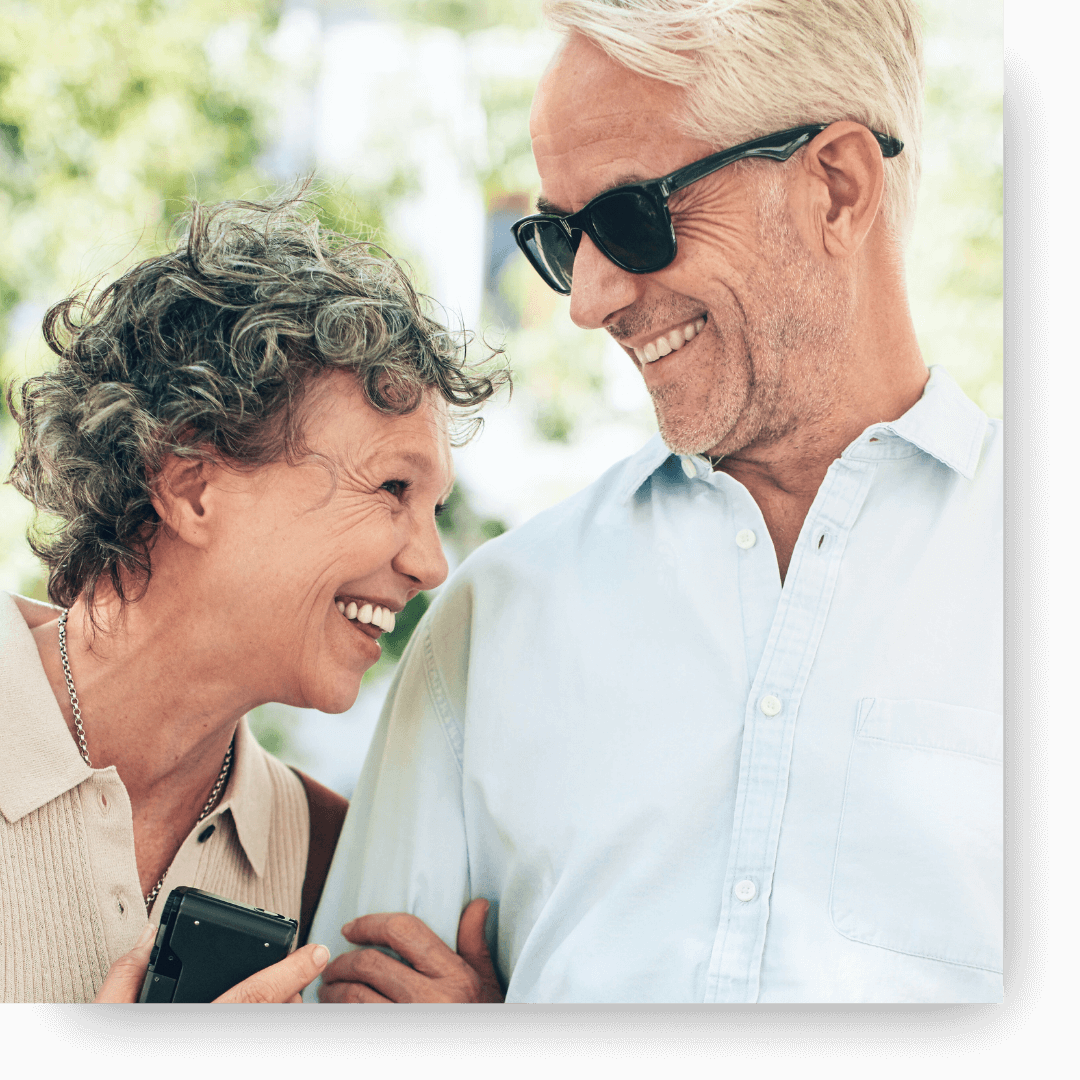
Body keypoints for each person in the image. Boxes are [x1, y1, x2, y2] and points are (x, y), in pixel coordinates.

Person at [310, 0, 1003, 1004]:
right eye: (559, 239)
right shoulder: (495, 617)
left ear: (838, 188)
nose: (588, 300)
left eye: (631, 219)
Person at [0, 196, 505, 1003]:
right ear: (194, 488)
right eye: (391, 487)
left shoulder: (328, 860)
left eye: (433, 509)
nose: (431, 564)